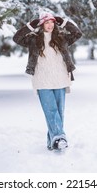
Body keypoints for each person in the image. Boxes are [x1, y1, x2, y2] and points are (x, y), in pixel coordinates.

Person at [13, 12, 82, 151]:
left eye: (52, 22)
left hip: (61, 78)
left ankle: (53, 141)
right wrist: (29, 26)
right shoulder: (33, 39)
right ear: (41, 24)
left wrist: (63, 22)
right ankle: (60, 137)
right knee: (51, 110)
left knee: (59, 112)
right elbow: (17, 38)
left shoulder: (62, 38)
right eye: (46, 22)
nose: (50, 25)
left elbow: (77, 33)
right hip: (42, 79)